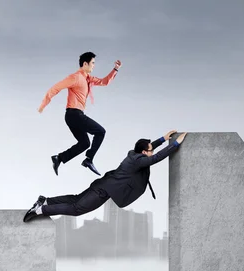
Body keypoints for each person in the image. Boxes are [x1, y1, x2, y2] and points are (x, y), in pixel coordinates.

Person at [23, 131, 188, 222]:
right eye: (150, 149)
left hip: (103, 185)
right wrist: (175, 144)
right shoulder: (139, 161)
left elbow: (151, 152)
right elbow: (157, 157)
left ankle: (46, 200)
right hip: (102, 191)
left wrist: (162, 139)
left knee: (75, 199)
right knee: (76, 209)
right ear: (144, 152)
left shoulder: (135, 155)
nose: (152, 151)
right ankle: (41, 209)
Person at [38, 51, 121, 176]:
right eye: (92, 63)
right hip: (74, 115)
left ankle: (59, 158)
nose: (94, 66)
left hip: (74, 116)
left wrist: (115, 69)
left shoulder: (88, 79)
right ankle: (89, 160)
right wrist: (43, 105)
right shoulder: (75, 77)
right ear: (85, 63)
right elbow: (55, 88)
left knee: (85, 144)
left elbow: (104, 82)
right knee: (101, 132)